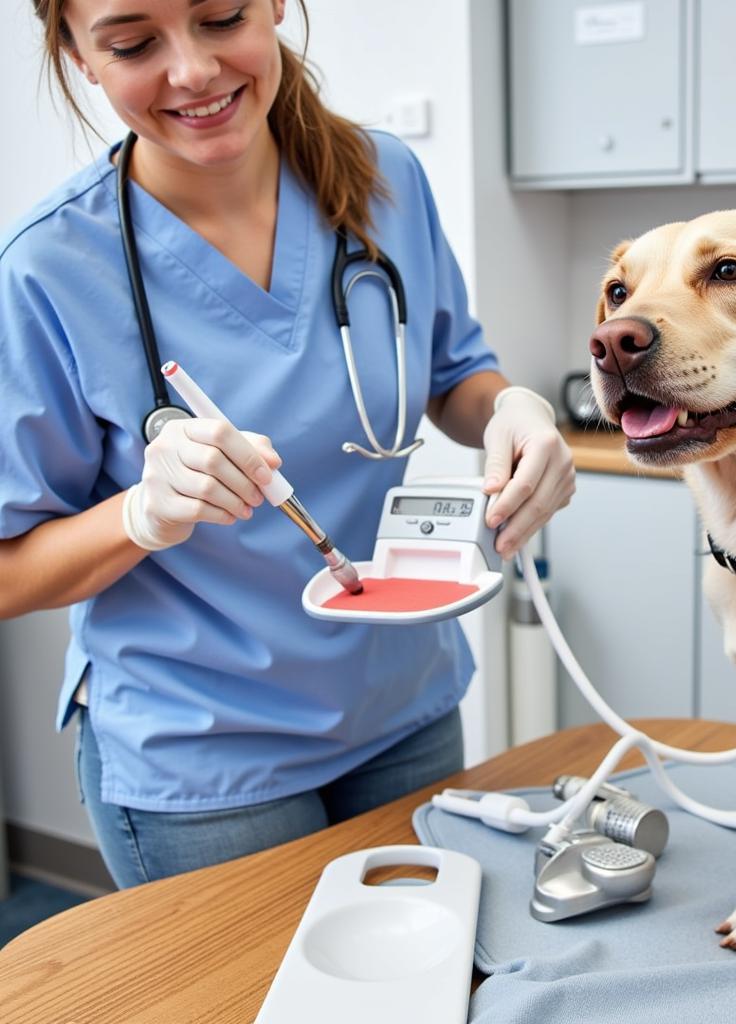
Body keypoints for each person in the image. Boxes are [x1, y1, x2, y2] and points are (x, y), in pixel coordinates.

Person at [0, 0, 575, 888]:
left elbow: (453, 375)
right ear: (78, 55)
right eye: (132, 43)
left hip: (400, 703)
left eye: (220, 16)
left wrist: (514, 410)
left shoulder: (386, 177)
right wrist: (142, 517)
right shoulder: (50, 267)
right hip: (203, 757)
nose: (191, 70)